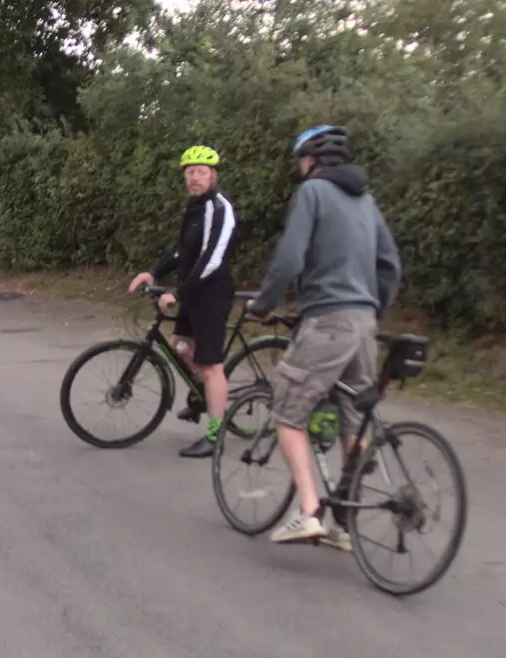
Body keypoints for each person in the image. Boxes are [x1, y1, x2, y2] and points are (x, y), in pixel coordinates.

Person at [247, 125, 401, 547]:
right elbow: (389, 264)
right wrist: (372, 308)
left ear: (310, 160)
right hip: (365, 323)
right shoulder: (367, 200)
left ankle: (309, 510)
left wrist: (263, 304)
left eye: (300, 161)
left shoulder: (312, 193)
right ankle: (344, 522)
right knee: (355, 417)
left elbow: (290, 258)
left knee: (287, 410)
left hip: (327, 320)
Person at [128, 145, 238, 458]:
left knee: (210, 365)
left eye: (201, 171)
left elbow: (212, 259)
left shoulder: (219, 208)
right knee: (178, 344)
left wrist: (177, 294)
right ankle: (202, 394)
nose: (194, 177)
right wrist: (152, 272)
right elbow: (182, 253)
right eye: (189, 172)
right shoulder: (193, 208)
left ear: (213, 175)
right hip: (192, 291)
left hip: (212, 294)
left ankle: (215, 434)